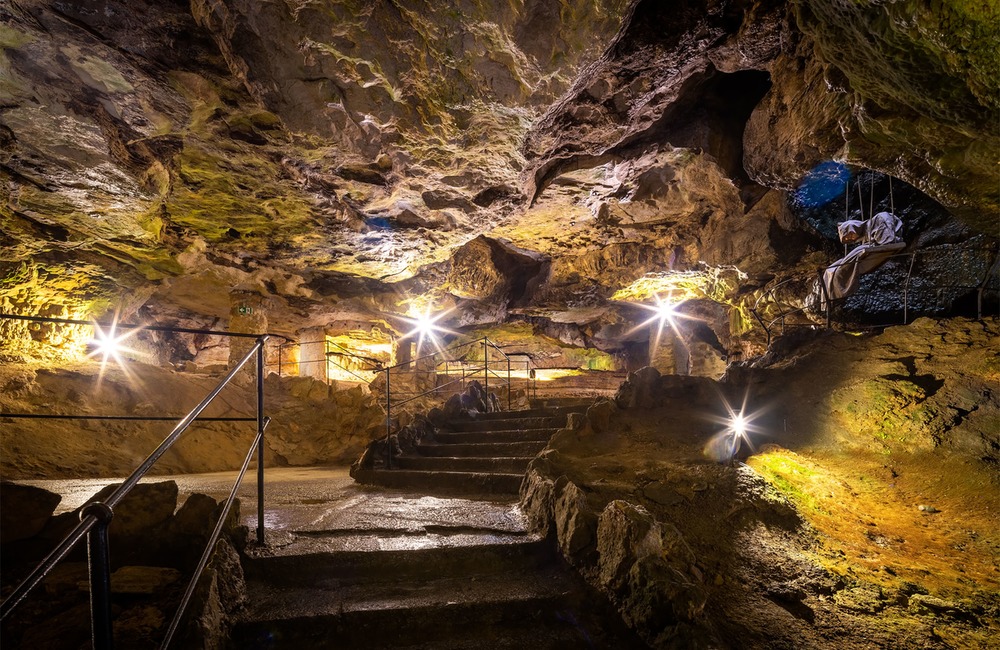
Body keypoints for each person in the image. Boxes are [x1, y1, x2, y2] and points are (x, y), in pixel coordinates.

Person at [816, 211, 904, 310]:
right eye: (849, 238)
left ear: (852, 228)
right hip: (875, 245)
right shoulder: (865, 236)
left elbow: (888, 239)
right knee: (830, 270)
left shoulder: (878, 219)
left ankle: (835, 293)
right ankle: (827, 300)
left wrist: (871, 245)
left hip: (883, 244)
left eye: (850, 235)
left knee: (843, 267)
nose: (852, 238)